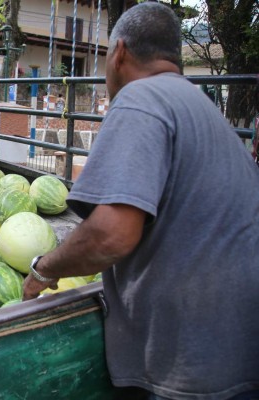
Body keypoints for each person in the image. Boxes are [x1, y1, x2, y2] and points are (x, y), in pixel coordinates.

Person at [22, 3, 259, 400]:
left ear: (119, 53)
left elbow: (110, 236)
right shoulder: (205, 109)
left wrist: (43, 271)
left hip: (191, 367)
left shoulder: (140, 99)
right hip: (238, 350)